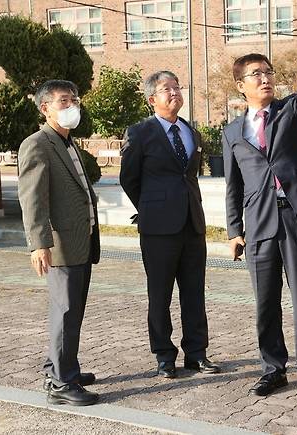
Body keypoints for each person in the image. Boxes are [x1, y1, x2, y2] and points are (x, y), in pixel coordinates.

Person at [223, 32, 297, 399]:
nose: (266, 78)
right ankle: (273, 369)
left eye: (269, 72)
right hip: (258, 223)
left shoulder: (289, 111)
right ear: (241, 85)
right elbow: (233, 185)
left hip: (296, 216)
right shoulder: (231, 133)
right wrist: (234, 230)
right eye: (256, 73)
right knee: (265, 301)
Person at [120, 71, 220, 378]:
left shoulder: (191, 131)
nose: (174, 92)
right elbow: (129, 179)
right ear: (152, 99)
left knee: (194, 292)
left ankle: (197, 353)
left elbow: (189, 175)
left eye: (177, 87)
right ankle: (164, 356)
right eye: (167, 89)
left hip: (192, 224)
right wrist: (151, 208)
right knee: (159, 295)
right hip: (158, 229)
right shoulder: (140, 133)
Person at [18, 80, 100, 406]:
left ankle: (62, 367)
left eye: (74, 100)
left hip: (80, 241)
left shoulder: (67, 142)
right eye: (63, 101)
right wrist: (39, 243)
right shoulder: (37, 144)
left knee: (71, 312)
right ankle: (61, 384)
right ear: (45, 108)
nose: (72, 106)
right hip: (60, 246)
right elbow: (32, 199)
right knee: (65, 313)